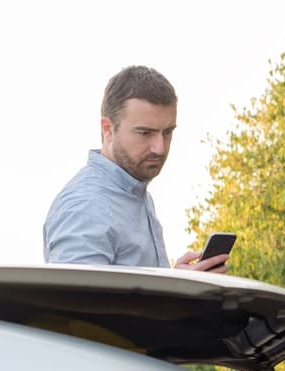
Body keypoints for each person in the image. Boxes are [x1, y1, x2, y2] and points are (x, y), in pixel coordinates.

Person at [44, 65, 227, 272]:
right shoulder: (86, 207)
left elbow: (135, 297)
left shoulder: (136, 192)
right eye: (145, 133)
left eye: (167, 132)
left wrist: (180, 282)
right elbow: (80, 303)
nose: (160, 147)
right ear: (108, 129)